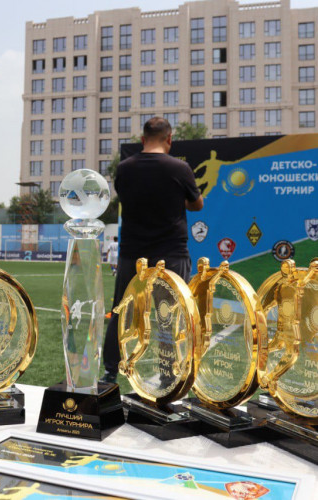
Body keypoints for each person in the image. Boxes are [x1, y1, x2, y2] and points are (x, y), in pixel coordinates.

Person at [101, 116, 204, 384]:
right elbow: (197, 204)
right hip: (171, 253)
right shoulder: (179, 168)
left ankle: (109, 373)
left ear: (142, 139)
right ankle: (167, 375)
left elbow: (128, 197)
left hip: (133, 253)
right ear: (169, 139)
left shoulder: (124, 169)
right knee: (169, 313)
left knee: (121, 310)